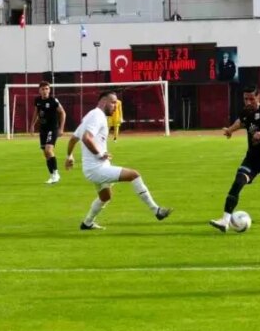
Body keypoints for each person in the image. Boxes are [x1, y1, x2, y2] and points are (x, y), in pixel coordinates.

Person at [65, 90, 172, 229]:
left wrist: (69, 156)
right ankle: (156, 210)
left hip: (96, 168)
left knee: (105, 197)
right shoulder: (97, 116)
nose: (115, 106)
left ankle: (87, 223)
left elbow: (74, 138)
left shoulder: (90, 116)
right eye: (113, 103)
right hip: (97, 169)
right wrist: (99, 154)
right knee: (134, 175)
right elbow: (86, 138)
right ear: (104, 101)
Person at [210, 85, 260, 232]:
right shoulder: (245, 112)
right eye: (246, 99)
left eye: (251, 99)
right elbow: (240, 122)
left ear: (259, 97)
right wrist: (230, 130)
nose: (248, 102)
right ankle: (225, 221)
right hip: (253, 158)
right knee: (238, 181)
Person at [31, 81, 66, 184]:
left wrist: (61, 128)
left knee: (48, 150)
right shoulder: (37, 100)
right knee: (46, 153)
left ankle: (56, 174)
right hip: (43, 129)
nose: (45, 91)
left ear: (49, 90)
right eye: (43, 89)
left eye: (47, 89)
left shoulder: (53, 100)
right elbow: (36, 112)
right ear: (39, 91)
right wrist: (32, 125)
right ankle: (52, 176)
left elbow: (63, 113)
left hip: (52, 128)